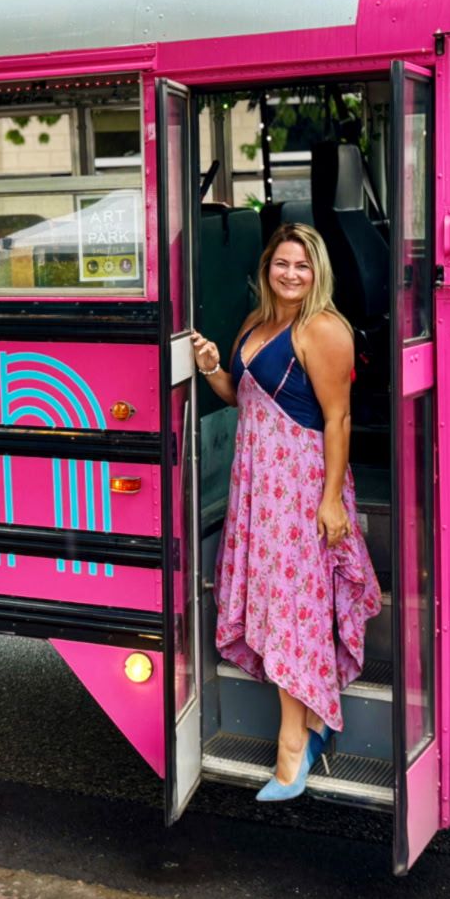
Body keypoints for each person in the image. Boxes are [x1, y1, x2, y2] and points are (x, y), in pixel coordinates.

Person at [190, 224, 380, 802]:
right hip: (257, 485)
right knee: (275, 603)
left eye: (303, 265)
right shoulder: (255, 322)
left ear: (317, 271)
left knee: (294, 610)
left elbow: (337, 419)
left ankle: (293, 748)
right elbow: (241, 396)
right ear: (267, 267)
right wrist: (210, 365)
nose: (291, 274)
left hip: (299, 484)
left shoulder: (323, 329)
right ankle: (312, 727)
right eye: (282, 264)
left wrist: (329, 499)